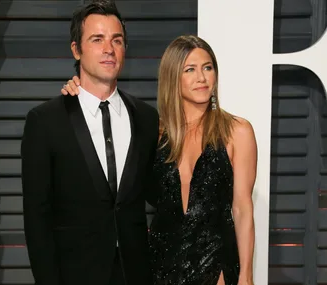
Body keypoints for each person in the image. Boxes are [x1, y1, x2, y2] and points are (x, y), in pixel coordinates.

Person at [62, 35, 257, 285]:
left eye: (208, 68)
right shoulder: (153, 133)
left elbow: (242, 209)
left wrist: (246, 276)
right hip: (160, 264)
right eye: (190, 70)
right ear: (173, 78)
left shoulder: (237, 131)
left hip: (216, 262)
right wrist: (79, 91)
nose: (202, 78)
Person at [21, 1, 158, 285]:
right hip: (74, 275)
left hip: (137, 274)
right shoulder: (45, 121)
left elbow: (158, 194)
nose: (109, 48)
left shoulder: (146, 118)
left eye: (116, 40)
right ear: (76, 49)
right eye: (97, 39)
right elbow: (37, 219)